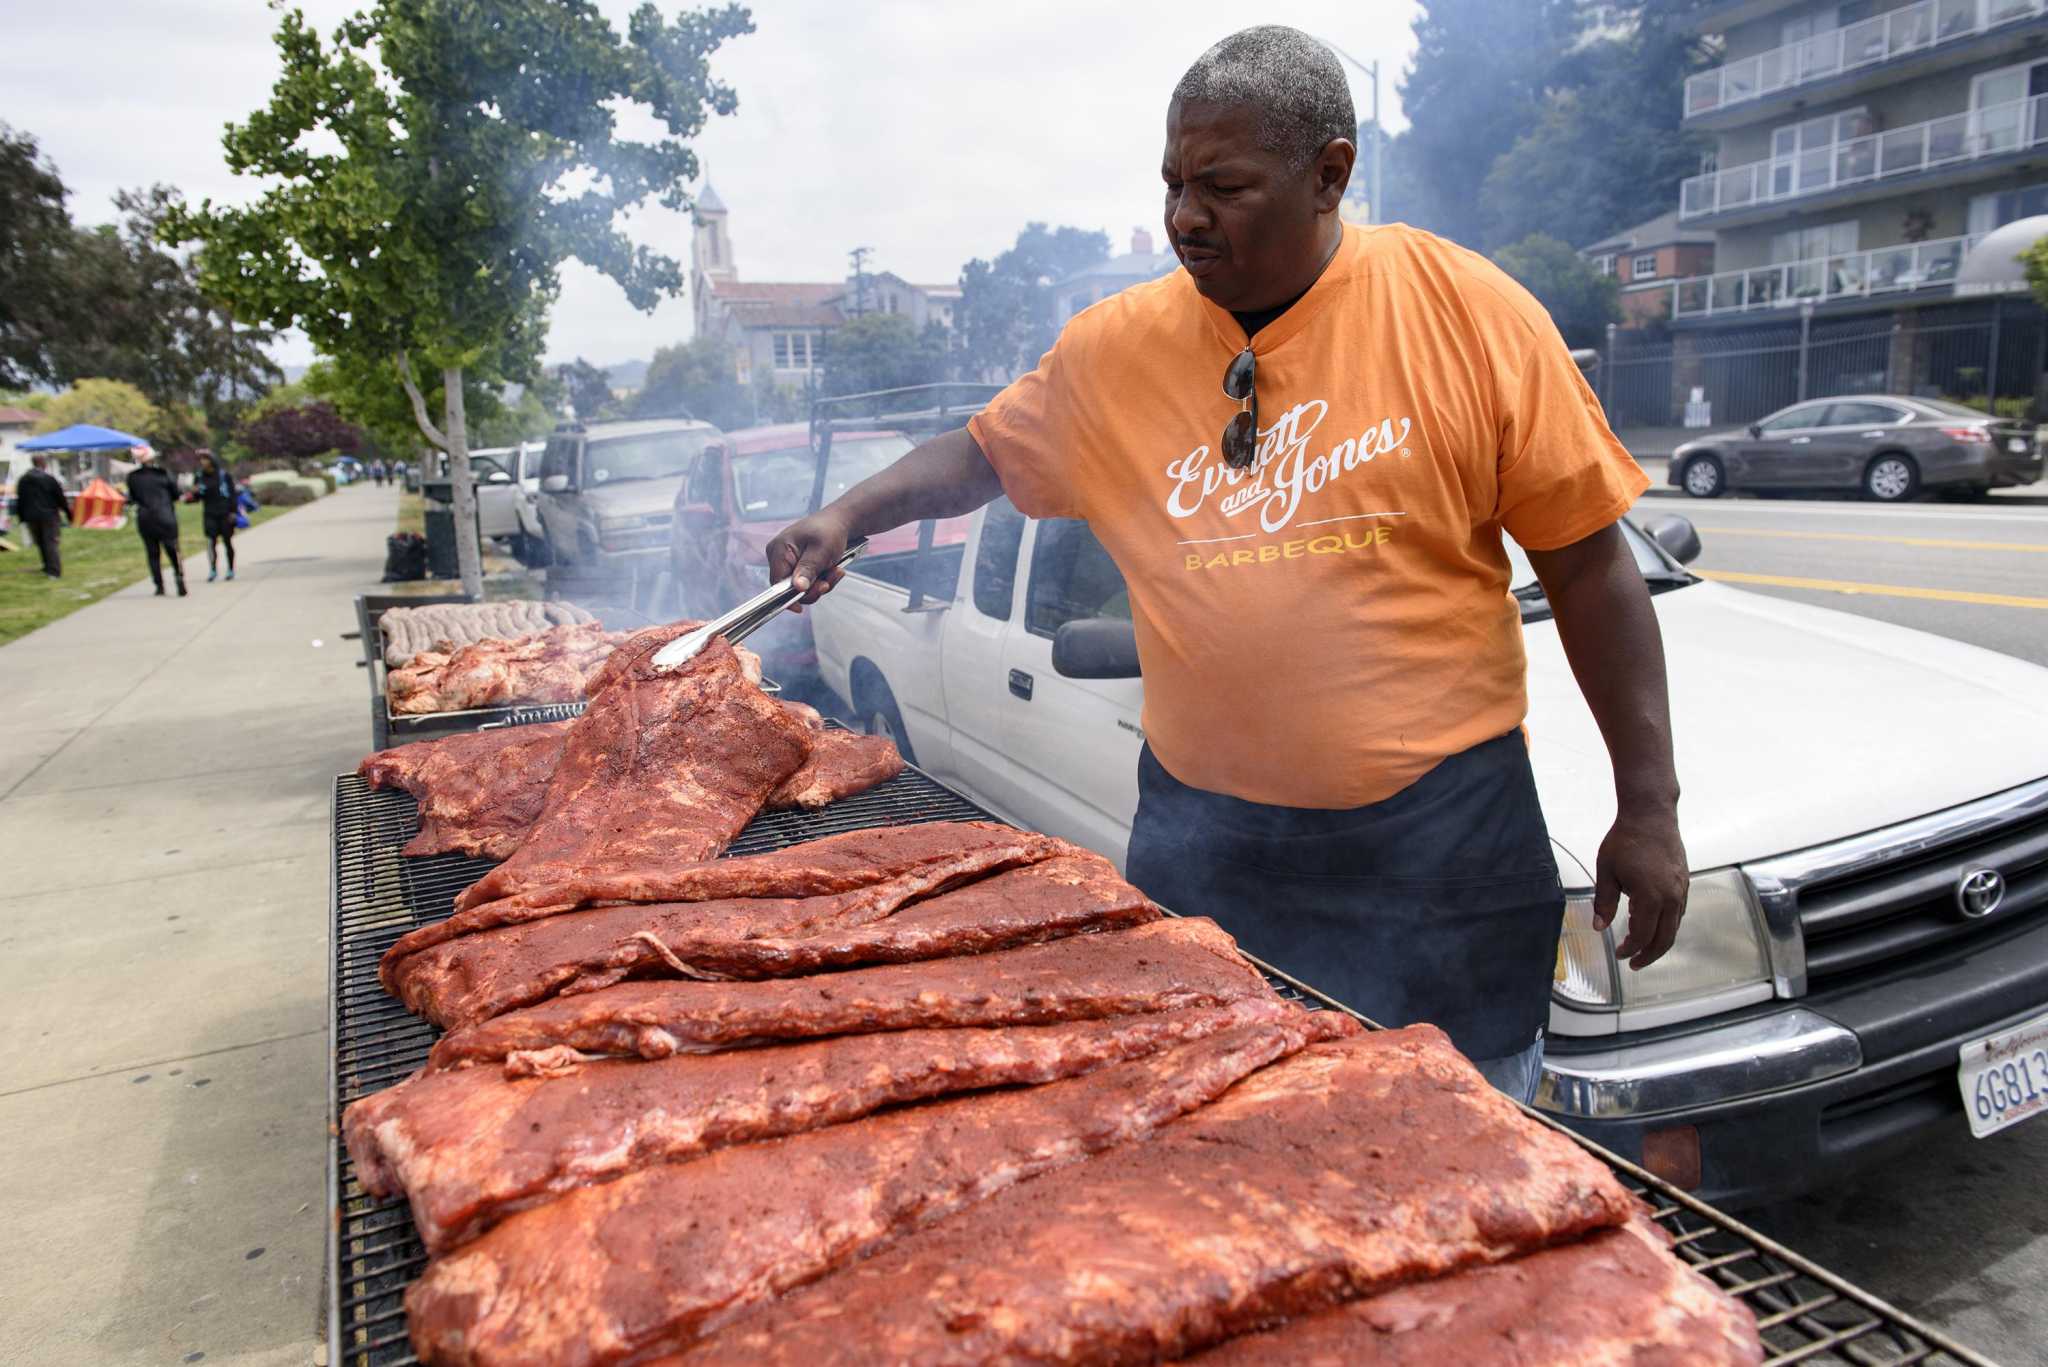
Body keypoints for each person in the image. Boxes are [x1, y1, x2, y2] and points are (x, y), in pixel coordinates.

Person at [766, 26, 1687, 1102]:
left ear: (1328, 175)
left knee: (1464, 1135)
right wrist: (848, 511)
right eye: (1170, 183)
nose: (1183, 217)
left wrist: (1649, 804)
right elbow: (979, 454)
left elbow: (1589, 570)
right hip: (1210, 839)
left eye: (1223, 185)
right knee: (1219, 1133)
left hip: (1440, 839)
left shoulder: (1464, 311)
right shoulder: (1113, 350)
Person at [125, 449, 186, 597]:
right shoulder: (163, 474)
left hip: (146, 518)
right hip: (166, 516)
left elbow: (132, 498)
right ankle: (179, 577)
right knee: (172, 549)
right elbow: (176, 494)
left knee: (152, 553)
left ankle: (159, 585)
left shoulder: (133, 477)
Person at [16, 454, 69, 578]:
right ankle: (54, 571)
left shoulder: (23, 479)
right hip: (49, 515)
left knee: (40, 542)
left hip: (31, 516)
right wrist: (67, 512)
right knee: (50, 542)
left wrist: (21, 517)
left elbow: (20, 499)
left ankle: (47, 566)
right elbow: (59, 496)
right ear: (43, 463)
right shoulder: (49, 479)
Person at [192, 450, 239, 582]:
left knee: (227, 542)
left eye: (205, 459)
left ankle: (230, 569)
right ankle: (213, 569)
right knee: (211, 542)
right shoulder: (199, 477)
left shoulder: (224, 476)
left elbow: (232, 495)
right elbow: (197, 498)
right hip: (209, 513)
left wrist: (233, 512)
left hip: (225, 513)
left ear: (212, 460)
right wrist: (194, 493)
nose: (202, 462)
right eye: (201, 459)